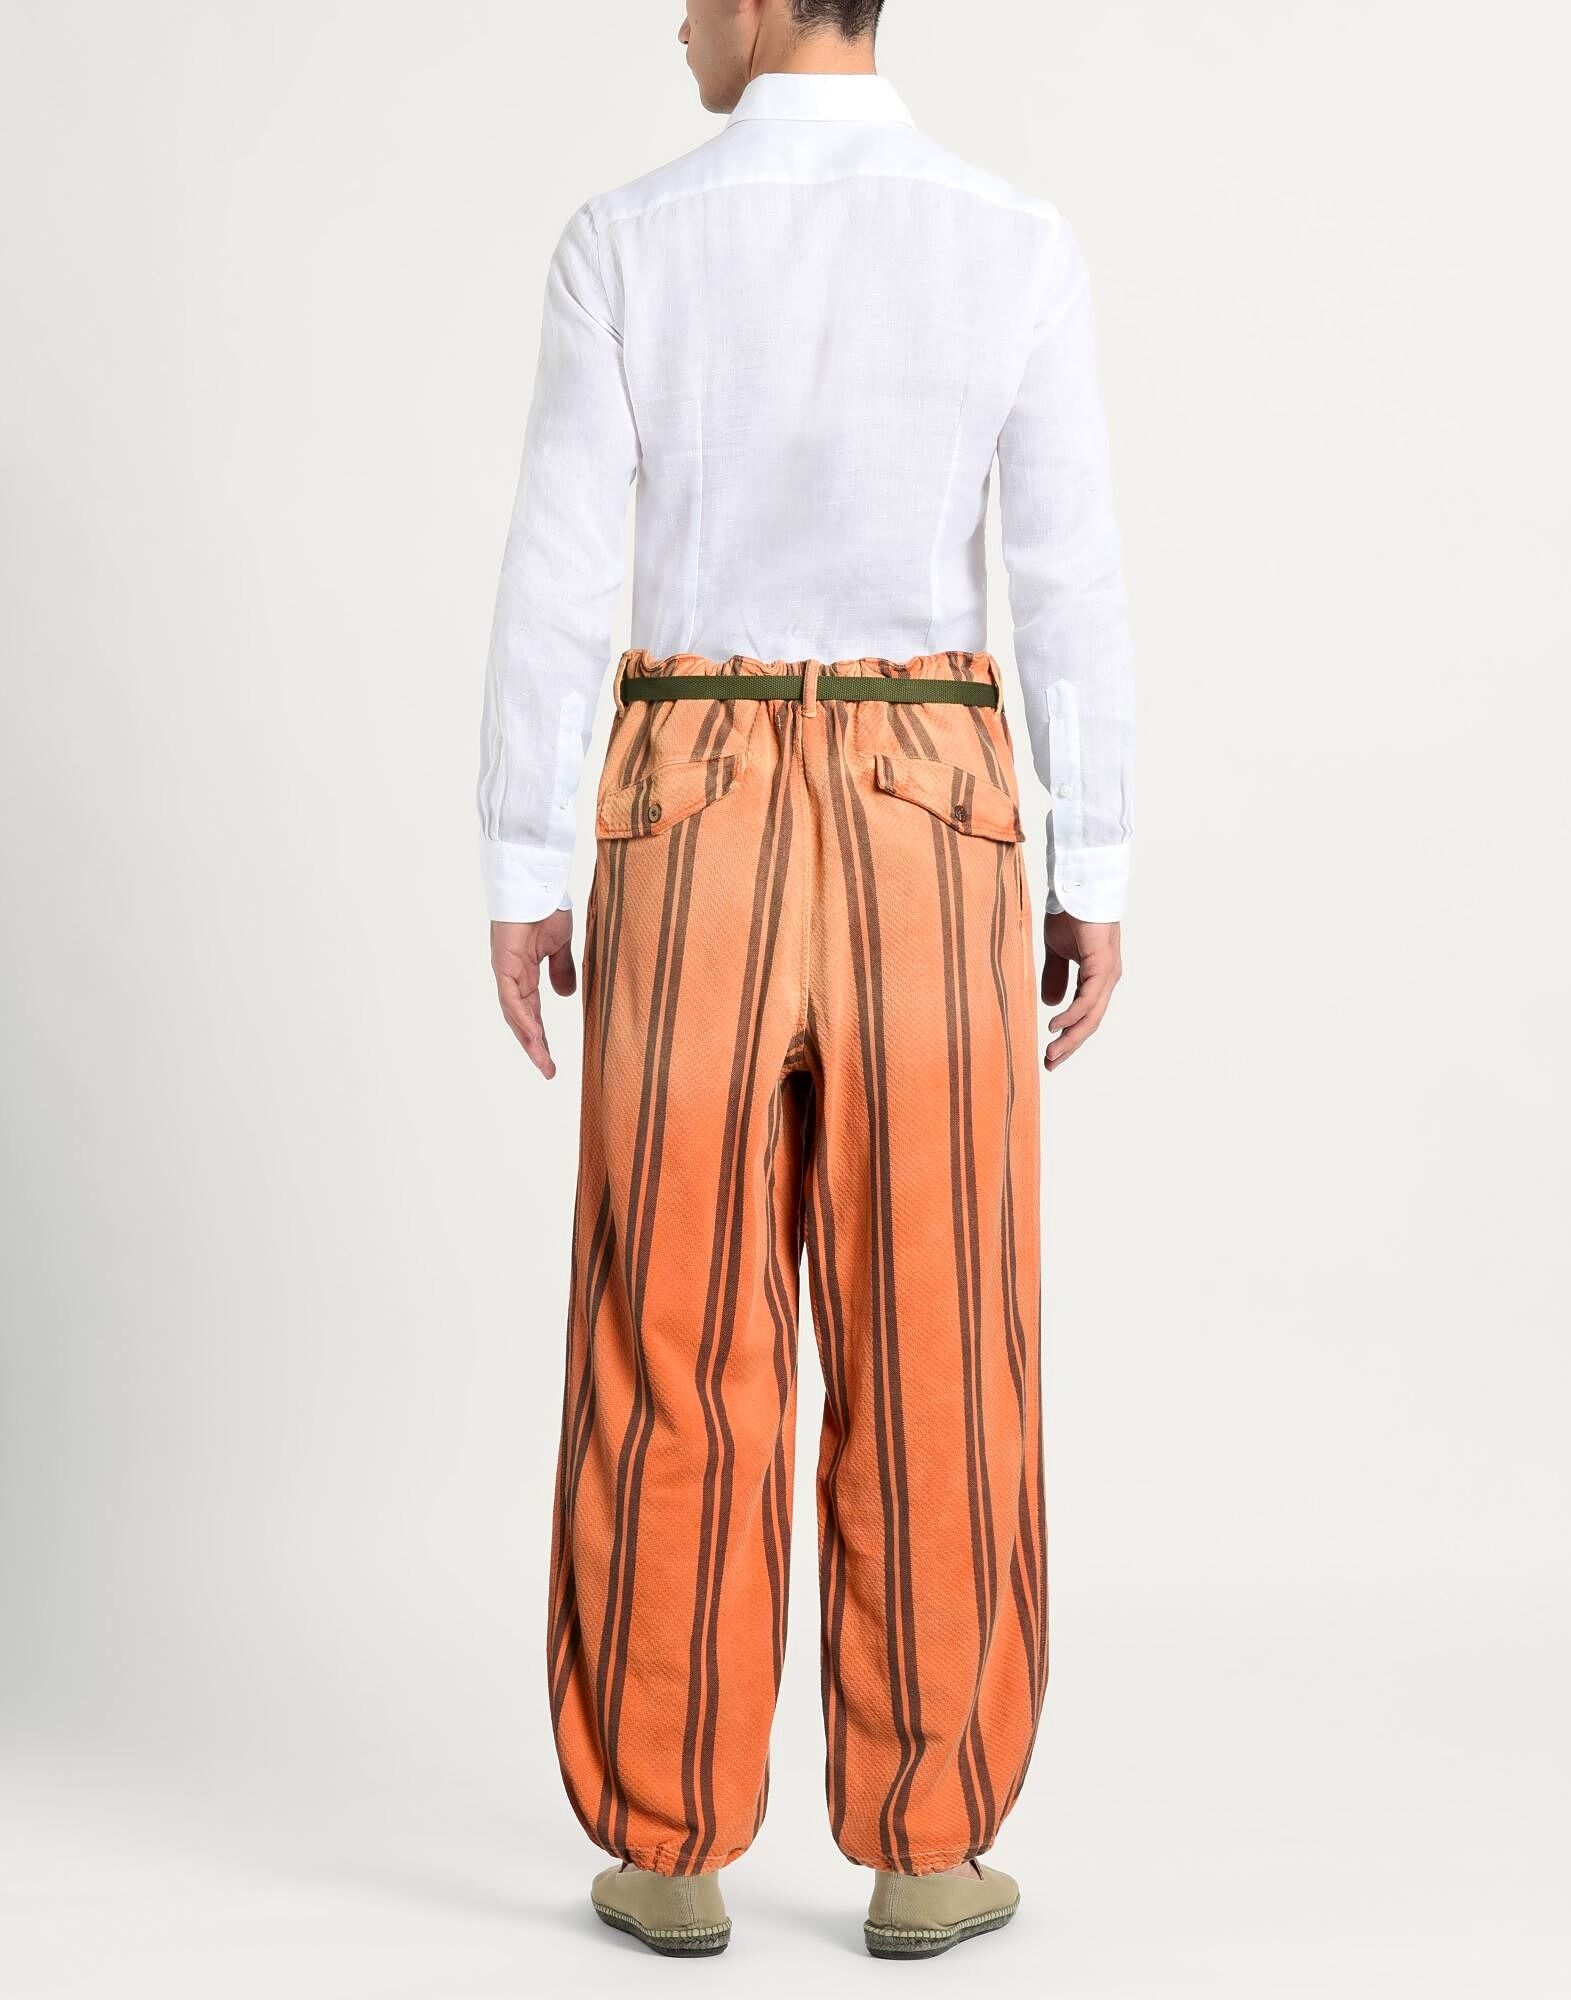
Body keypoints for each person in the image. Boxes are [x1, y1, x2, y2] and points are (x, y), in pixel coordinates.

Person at [477, 0, 1132, 1961]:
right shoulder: (1013, 239)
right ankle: (929, 1842)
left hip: (690, 786)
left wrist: (524, 859)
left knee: (671, 1322)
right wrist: (1091, 859)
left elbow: (560, 567)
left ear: (764, 1)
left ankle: (664, 1834)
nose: (677, 20)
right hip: (936, 798)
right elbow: (1069, 576)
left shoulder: (627, 240)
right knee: (941, 1322)